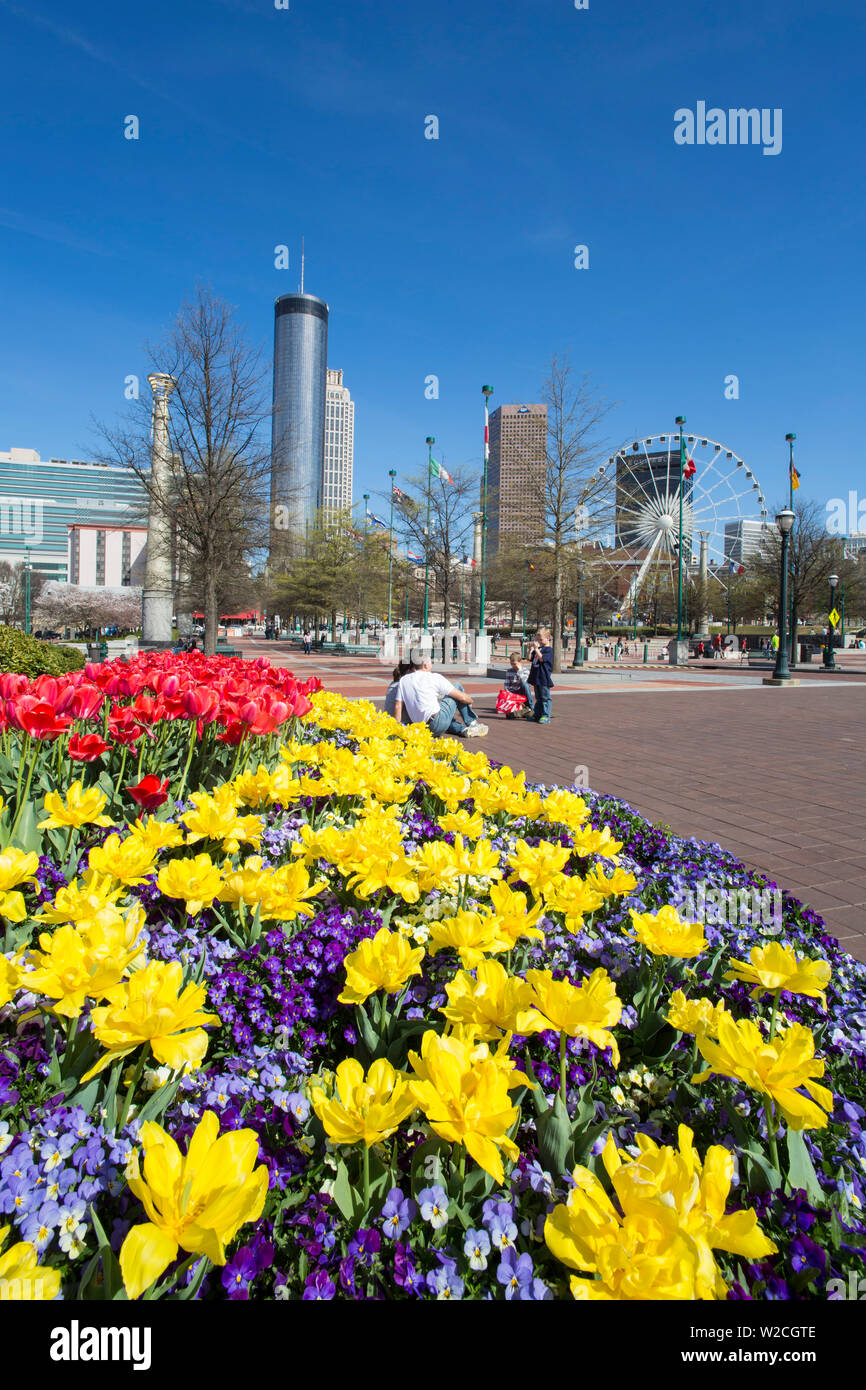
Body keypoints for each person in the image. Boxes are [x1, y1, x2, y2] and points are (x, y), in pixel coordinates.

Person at [394, 658, 488, 739]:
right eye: (431, 663)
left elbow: (398, 706)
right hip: (436, 724)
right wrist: (470, 701)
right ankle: (472, 723)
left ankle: (463, 730)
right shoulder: (434, 677)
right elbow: (462, 697)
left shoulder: (403, 680)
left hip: (421, 729)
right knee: (457, 686)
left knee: (440, 713)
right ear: (426, 665)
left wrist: (397, 730)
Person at [528, 627, 554, 724]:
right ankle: (537, 714)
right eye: (538, 639)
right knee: (538, 698)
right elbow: (529, 658)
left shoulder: (548, 650)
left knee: (545, 697)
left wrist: (536, 649)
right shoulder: (539, 649)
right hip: (536, 677)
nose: (539, 641)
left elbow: (542, 659)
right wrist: (530, 650)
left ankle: (546, 715)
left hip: (543, 677)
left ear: (547, 638)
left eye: (541, 639)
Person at [501, 653, 534, 720]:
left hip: (522, 691)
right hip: (514, 692)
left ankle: (530, 706)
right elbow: (506, 685)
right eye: (511, 664)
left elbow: (524, 681)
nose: (513, 666)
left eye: (515, 664)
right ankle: (514, 706)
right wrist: (510, 695)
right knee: (503, 693)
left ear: (520, 662)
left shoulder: (525, 670)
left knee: (526, 685)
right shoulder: (509, 671)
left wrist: (519, 671)